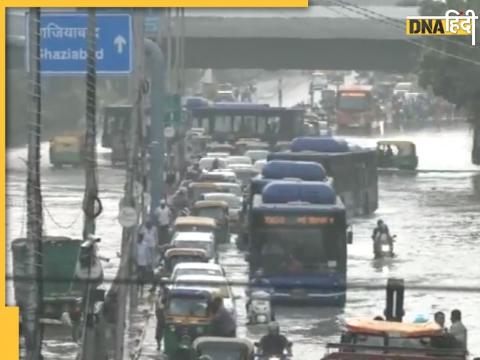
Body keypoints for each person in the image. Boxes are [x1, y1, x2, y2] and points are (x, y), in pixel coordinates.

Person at [155, 286, 168, 351]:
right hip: (160, 316)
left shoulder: (167, 297)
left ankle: (163, 346)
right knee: (159, 333)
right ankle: (159, 345)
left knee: (166, 333)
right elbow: (157, 306)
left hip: (165, 317)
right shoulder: (159, 297)